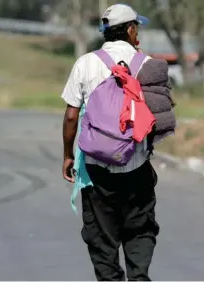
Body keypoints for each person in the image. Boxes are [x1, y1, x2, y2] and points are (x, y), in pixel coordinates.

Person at [61, 4, 160, 281]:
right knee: (140, 230)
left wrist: (68, 156)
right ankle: (139, 277)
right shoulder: (147, 64)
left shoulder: (86, 63)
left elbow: (71, 117)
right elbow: (160, 118)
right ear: (130, 30)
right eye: (136, 27)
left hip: (96, 170)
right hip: (137, 167)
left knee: (101, 238)